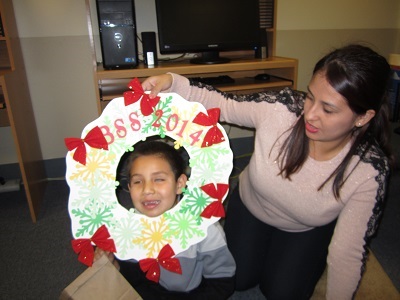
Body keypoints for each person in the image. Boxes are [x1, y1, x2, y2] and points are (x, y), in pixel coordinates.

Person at [141, 44, 394, 299]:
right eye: (309, 97)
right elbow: (222, 104)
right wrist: (171, 82)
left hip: (304, 227)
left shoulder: (368, 170)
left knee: (283, 294)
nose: (310, 114)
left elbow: (346, 254)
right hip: (253, 206)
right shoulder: (281, 109)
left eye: (328, 109)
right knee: (236, 280)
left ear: (362, 117)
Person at [95, 140, 236, 299]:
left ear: (179, 183)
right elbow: (133, 278)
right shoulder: (128, 226)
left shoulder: (204, 228)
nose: (147, 190)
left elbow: (222, 280)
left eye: (159, 179)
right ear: (128, 187)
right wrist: (113, 264)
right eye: (137, 181)